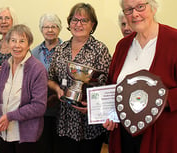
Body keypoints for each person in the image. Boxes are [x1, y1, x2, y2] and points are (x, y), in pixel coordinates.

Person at [103, 0, 177, 153]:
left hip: (161, 136)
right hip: (124, 134)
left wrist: (159, 99)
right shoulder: (123, 46)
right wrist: (107, 113)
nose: (135, 14)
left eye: (140, 7)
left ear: (154, 8)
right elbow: (112, 84)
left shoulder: (174, 41)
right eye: (128, 10)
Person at [47, 3, 111, 153]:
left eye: (84, 20)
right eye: (75, 20)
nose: (78, 24)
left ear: (92, 24)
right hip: (64, 120)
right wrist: (57, 89)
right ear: (69, 23)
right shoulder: (61, 49)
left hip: (88, 121)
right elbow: (50, 78)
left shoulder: (99, 49)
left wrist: (91, 106)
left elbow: (107, 84)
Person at [0, 24, 48, 153]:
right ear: (8, 43)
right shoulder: (5, 66)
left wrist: (10, 116)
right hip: (4, 132)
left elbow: (39, 106)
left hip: (26, 136)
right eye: (13, 41)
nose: (17, 45)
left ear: (29, 44)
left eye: (22, 41)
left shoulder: (37, 69)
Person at [31, 13, 62, 153]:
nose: (50, 30)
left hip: (61, 108)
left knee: (59, 145)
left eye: (53, 27)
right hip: (41, 109)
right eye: (46, 27)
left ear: (59, 29)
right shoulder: (34, 52)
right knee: (43, 146)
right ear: (41, 30)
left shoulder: (66, 49)